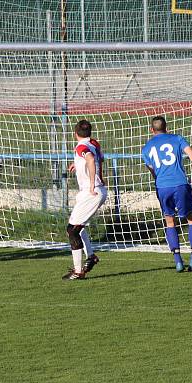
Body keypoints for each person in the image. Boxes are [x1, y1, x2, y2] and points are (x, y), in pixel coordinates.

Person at [142, 115, 192, 273]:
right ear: (167, 128)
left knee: (170, 222)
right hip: (180, 184)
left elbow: (153, 171)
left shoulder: (146, 148)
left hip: (162, 187)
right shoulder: (177, 139)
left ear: (151, 130)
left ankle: (178, 261)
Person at [62, 119, 107, 280]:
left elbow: (89, 159)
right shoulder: (94, 143)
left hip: (91, 193)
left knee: (71, 230)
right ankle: (91, 257)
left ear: (75, 134)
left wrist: (92, 184)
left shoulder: (81, 147)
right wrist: (78, 165)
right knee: (78, 228)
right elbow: (99, 158)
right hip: (96, 191)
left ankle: (78, 271)